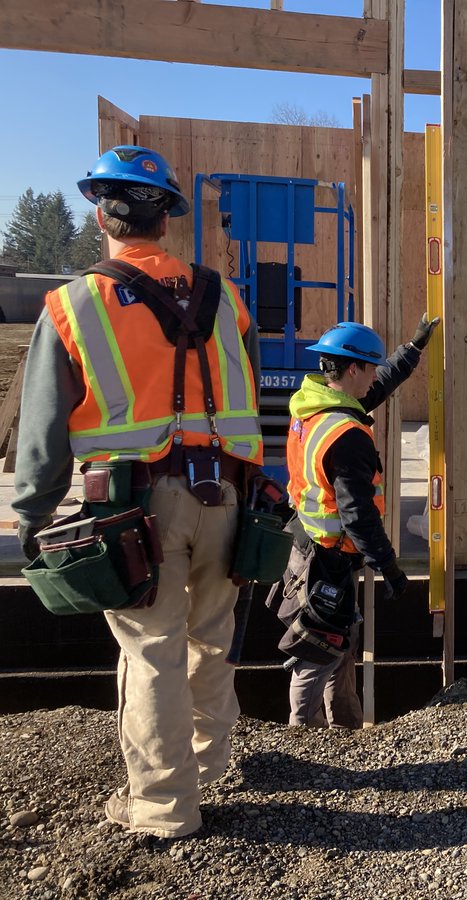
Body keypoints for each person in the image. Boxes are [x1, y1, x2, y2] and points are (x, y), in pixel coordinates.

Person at [13, 146, 263, 838]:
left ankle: (164, 806)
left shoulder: (73, 305)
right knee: (210, 640)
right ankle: (210, 767)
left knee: (151, 651)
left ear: (102, 213)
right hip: (228, 495)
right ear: (166, 220)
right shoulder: (227, 300)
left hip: (136, 506)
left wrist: (33, 516)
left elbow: (41, 431)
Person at [283, 317, 438, 727]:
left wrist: (413, 349)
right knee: (318, 652)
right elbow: (358, 515)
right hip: (328, 560)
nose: (373, 377)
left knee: (339, 647)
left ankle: (346, 730)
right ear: (353, 369)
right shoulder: (347, 434)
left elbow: (380, 383)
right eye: (369, 368)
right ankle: (303, 740)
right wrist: (388, 565)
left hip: (310, 547)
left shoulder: (313, 404)